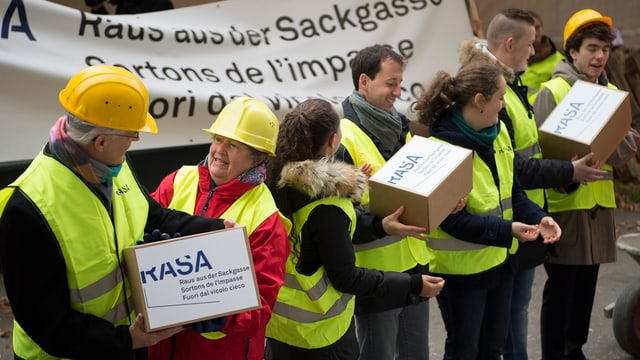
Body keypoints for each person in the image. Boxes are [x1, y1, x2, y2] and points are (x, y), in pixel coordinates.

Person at [0, 64, 235, 360]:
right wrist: (126, 339)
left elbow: (151, 215)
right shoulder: (27, 209)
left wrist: (215, 229)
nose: (135, 141)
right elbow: (47, 324)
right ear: (100, 141)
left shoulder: (112, 166)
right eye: (131, 135)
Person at [458, 9, 606, 360]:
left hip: (522, 219)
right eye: (530, 44)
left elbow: (518, 160)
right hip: (502, 228)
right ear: (510, 43)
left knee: (512, 316)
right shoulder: (490, 90)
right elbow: (516, 167)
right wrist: (568, 173)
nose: (534, 51)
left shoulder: (510, 84)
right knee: (501, 325)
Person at [263, 98, 444, 360]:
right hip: (321, 334)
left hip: (280, 330)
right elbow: (346, 277)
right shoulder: (326, 205)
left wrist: (381, 226)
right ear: (333, 141)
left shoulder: (272, 178)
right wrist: (413, 284)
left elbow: (323, 238)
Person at [413, 61, 562, 360]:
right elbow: (452, 221)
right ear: (480, 101)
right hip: (461, 274)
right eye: (500, 97)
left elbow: (513, 191)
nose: (504, 104)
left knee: (493, 349)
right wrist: (508, 231)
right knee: (464, 350)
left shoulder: (499, 131)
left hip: (500, 262)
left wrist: (538, 217)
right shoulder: (441, 146)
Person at [147, 96, 290, 360]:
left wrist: (223, 318)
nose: (219, 150)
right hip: (161, 346)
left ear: (257, 157)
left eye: (233, 145)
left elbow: (261, 307)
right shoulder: (178, 180)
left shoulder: (266, 219)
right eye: (218, 139)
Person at [533, 9, 640, 360]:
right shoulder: (553, 91)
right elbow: (543, 160)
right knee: (562, 293)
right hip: (566, 210)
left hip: (598, 208)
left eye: (605, 50)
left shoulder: (608, 89)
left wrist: (619, 134)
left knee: (583, 296)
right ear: (572, 51)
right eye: (592, 48)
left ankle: (574, 351)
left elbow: (623, 151)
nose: (600, 57)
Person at [335, 44, 437, 360]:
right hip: (375, 281)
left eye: (400, 83)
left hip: (414, 269)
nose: (398, 91)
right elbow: (338, 222)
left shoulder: (398, 126)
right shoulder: (342, 138)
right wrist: (381, 226)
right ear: (364, 82)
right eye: (391, 83)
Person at [521, 10, 565, 103]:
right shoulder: (515, 57)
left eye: (537, 27)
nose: (534, 32)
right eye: (529, 27)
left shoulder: (558, 61)